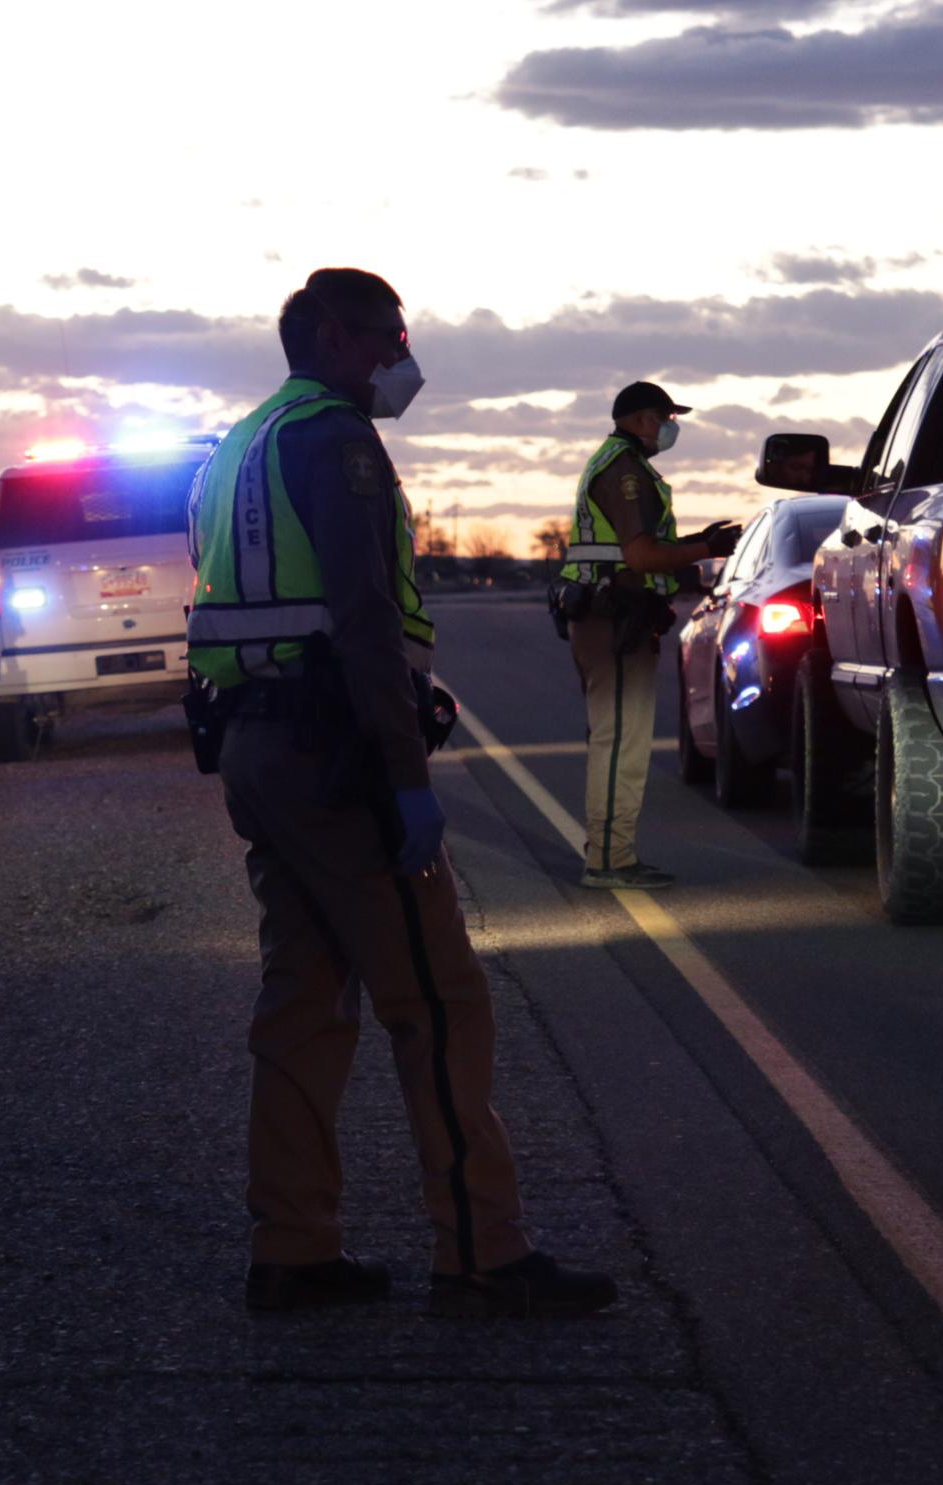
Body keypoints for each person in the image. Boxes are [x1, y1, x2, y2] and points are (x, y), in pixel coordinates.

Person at [189, 266, 618, 1319]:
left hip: (255, 747)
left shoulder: (235, 446)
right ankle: (480, 1255)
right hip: (335, 755)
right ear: (336, 339)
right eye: (389, 336)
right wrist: (405, 776)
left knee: (301, 999)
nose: (402, 356)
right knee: (436, 1000)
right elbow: (367, 621)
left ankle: (291, 1248)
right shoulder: (338, 442)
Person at [553, 381, 740, 890]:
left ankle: (609, 854)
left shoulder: (619, 463)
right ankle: (610, 862)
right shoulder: (625, 470)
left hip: (611, 615)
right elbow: (638, 557)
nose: (669, 426)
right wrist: (706, 547)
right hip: (613, 618)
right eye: (663, 417)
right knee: (620, 742)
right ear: (637, 419)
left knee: (615, 739)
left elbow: (634, 550)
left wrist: (691, 547)